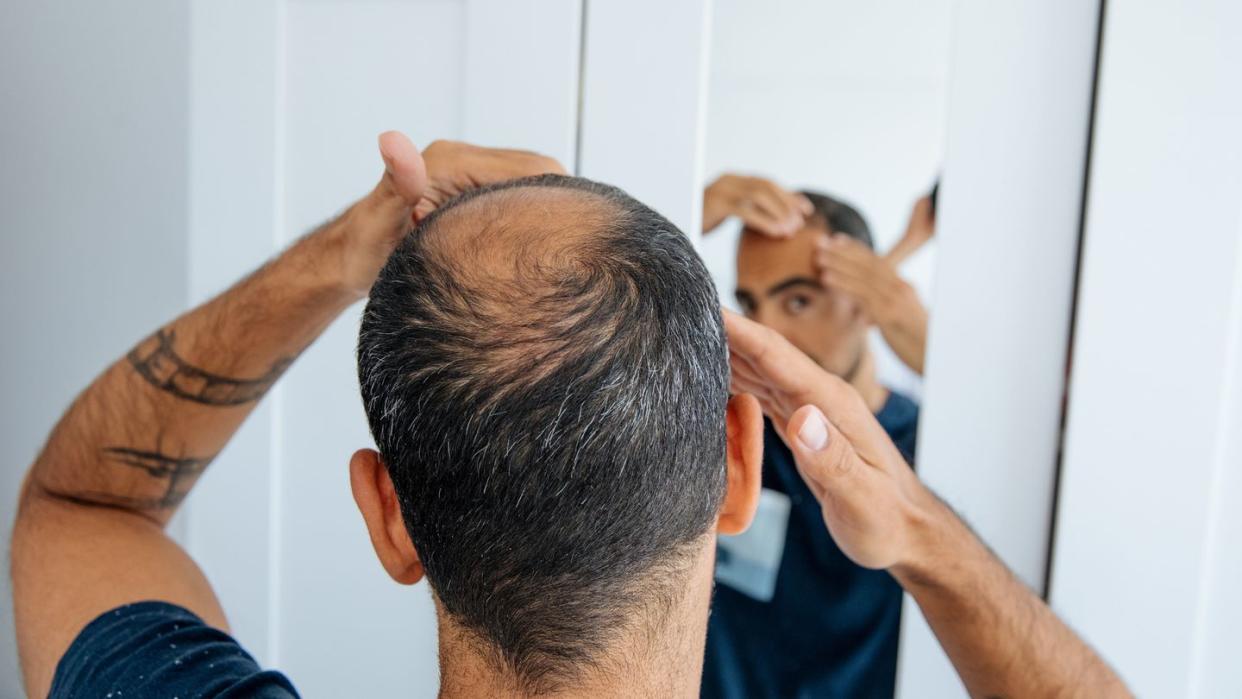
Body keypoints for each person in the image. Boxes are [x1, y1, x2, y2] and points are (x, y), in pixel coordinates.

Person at [11, 133, 1129, 698]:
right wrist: (929, 543)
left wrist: (342, 252)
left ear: (389, 516)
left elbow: (80, 506)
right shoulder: (805, 476)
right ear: (740, 461)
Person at [700, 175, 924, 697]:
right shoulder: (729, 428)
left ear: (866, 304)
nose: (765, 335)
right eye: (750, 305)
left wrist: (928, 339)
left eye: (798, 301)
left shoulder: (929, 447)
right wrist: (680, 213)